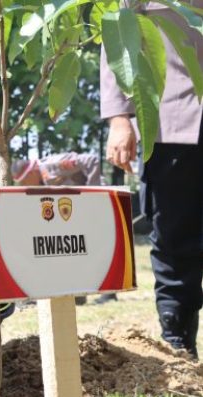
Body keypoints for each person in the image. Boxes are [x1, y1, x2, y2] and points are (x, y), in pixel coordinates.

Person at [100, 1, 202, 359]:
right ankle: (179, 343)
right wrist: (119, 118)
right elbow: (117, 35)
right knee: (174, 239)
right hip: (170, 122)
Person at [12, 152, 117, 305]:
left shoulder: (52, 165)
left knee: (97, 247)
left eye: (23, 181)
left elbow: (91, 160)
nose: (24, 186)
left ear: (31, 172)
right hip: (74, 211)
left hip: (97, 206)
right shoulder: (41, 180)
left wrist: (93, 195)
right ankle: (78, 295)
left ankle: (108, 293)